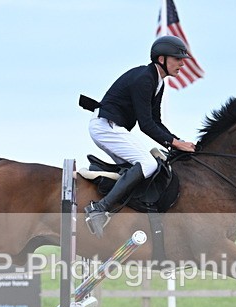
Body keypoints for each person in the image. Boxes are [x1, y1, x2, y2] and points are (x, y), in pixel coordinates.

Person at [84, 35, 197, 238]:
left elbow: (156, 121)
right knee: (148, 164)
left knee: (138, 169)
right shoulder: (145, 79)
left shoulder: (158, 82)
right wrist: (174, 143)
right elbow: (146, 125)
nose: (182, 63)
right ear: (161, 59)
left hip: (110, 127)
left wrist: (176, 142)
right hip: (105, 127)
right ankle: (98, 210)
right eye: (177, 58)